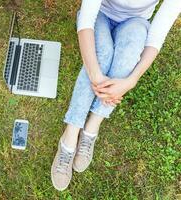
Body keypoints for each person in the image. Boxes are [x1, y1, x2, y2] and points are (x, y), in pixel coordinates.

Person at [51, 0, 181, 191]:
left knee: (129, 54)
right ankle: (70, 136)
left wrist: (132, 80)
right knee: (102, 55)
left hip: (136, 22)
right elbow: (87, 20)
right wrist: (95, 74)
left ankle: (92, 126)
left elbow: (155, 38)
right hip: (101, 13)